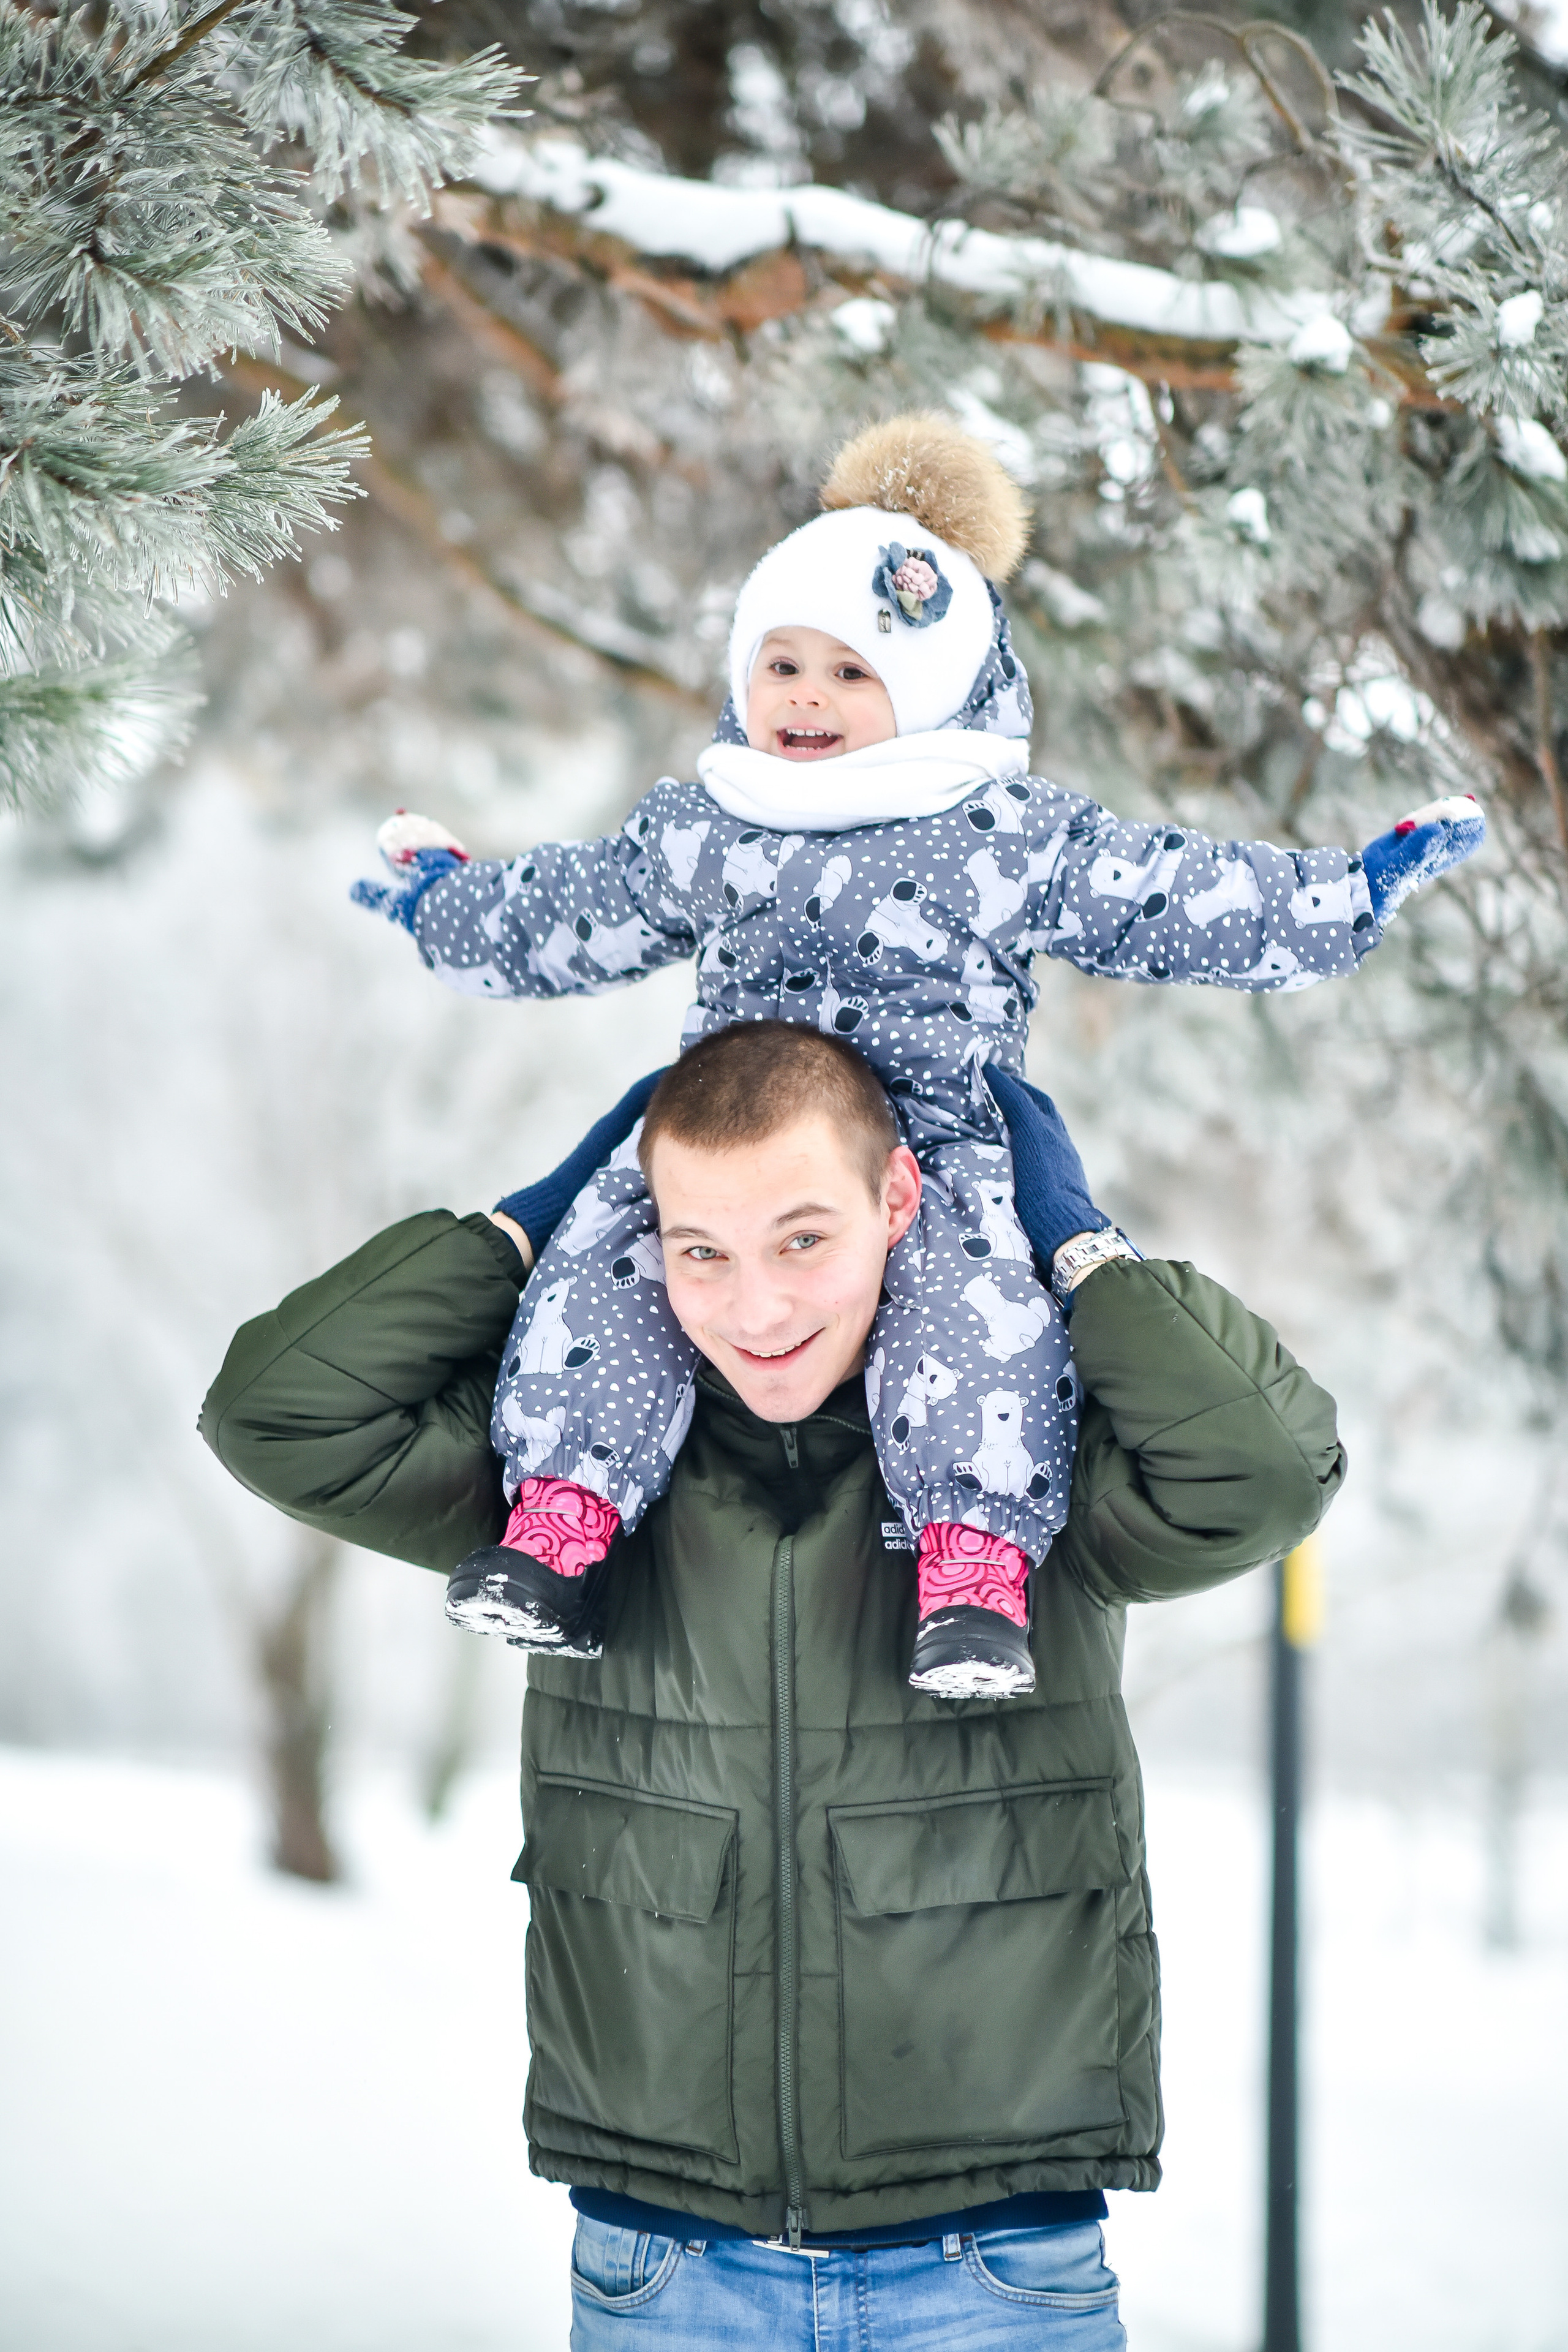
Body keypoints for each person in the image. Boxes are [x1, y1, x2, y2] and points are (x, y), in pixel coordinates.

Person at [201, 1028, 1345, 2348]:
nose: (755, 1311)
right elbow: (275, 1413)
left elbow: (1265, 1472)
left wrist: (1082, 1255)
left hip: (989, 2272)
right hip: (665, 2270)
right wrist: (518, 1230)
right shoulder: (563, 1488)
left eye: (801, 1240)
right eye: (702, 1251)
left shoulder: (1026, 1468)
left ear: (899, 1201)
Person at [349, 412, 1477, 1701]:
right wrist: (448, 909)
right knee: (610, 1272)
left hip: (928, 1138)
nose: (806, 699)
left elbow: (1166, 892)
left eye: (849, 672)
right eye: (780, 666)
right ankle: (559, 1520)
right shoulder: (715, 822)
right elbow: (577, 913)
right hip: (729, 1140)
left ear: (931, 688)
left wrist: (1342, 896)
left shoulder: (999, 829)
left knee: (974, 1312)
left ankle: (972, 1567)